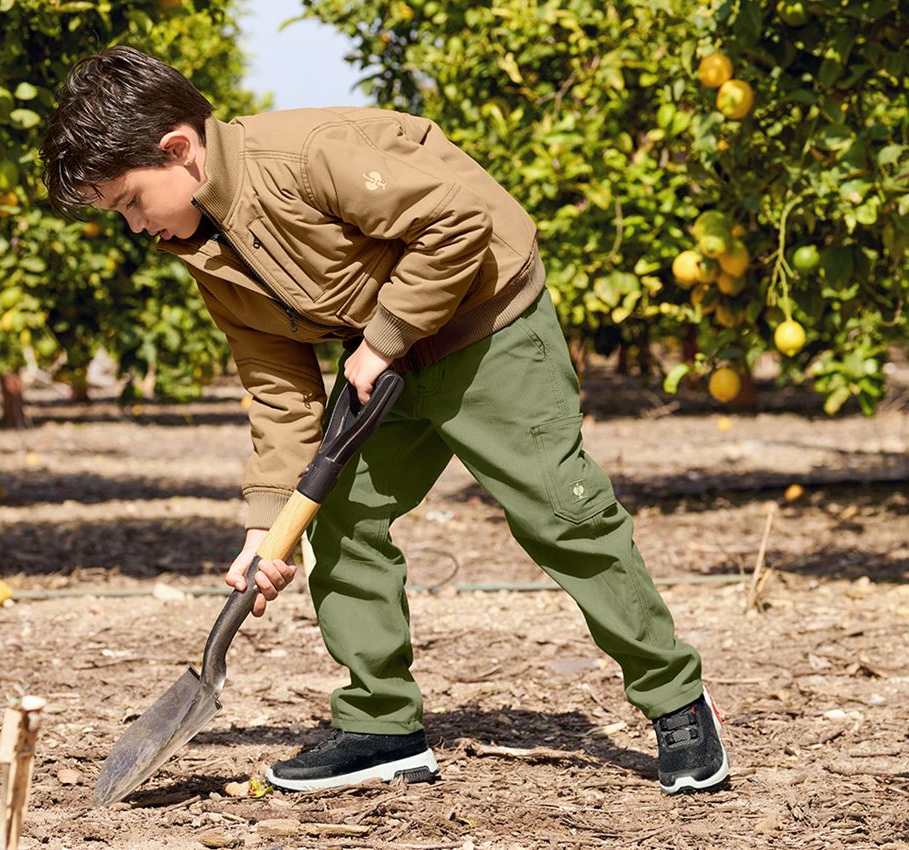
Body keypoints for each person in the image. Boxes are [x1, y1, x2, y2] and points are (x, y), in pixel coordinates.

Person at [40, 45, 730, 796]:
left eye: (131, 202)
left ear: (179, 150)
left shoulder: (310, 155)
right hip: (388, 363)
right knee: (336, 519)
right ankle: (381, 725)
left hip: (487, 325)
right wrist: (266, 525)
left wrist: (385, 338)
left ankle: (676, 700)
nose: (136, 226)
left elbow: (458, 223)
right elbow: (278, 388)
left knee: (561, 514)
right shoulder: (204, 248)